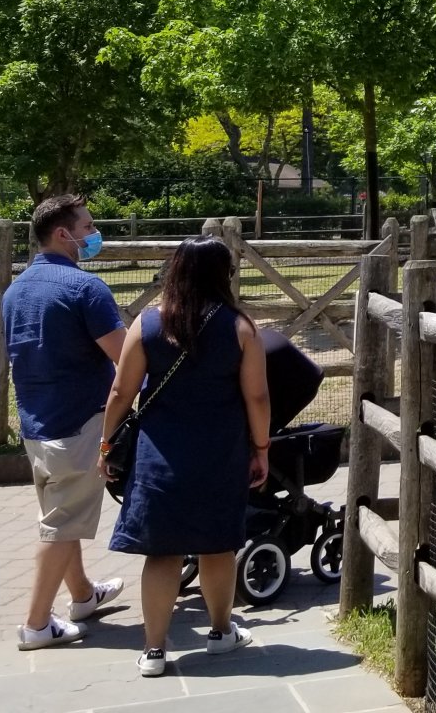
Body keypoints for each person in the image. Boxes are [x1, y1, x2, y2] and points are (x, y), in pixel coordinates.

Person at [100, 236, 271, 678]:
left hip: (159, 457)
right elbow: (257, 396)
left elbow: (121, 391)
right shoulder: (240, 328)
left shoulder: (148, 323)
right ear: (223, 276)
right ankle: (220, 632)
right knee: (219, 546)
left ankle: (154, 651)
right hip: (220, 454)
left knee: (162, 554)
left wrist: (106, 444)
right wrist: (262, 448)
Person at [2, 194, 128, 650]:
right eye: (88, 226)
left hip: (37, 423)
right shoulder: (84, 289)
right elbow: (126, 357)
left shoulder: (16, 290)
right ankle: (36, 624)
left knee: (62, 513)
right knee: (59, 525)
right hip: (79, 424)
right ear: (63, 234)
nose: (93, 235)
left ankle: (82, 595)